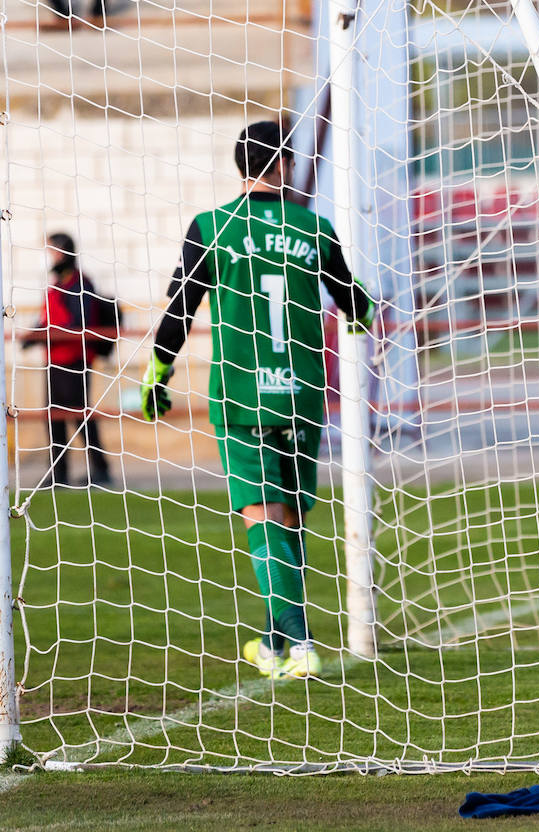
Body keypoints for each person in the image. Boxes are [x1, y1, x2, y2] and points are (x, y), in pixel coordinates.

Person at [140, 120, 374, 680]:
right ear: (285, 165)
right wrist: (365, 316)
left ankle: (300, 646)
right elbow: (354, 302)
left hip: (242, 393)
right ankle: (273, 641)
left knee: (261, 517)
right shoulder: (313, 228)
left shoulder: (210, 227)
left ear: (241, 166)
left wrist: (158, 372)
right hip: (302, 391)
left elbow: (180, 307)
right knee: (288, 517)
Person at [20, 231, 113, 488]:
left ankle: (101, 469)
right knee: (53, 416)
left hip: (74, 359)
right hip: (54, 359)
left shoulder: (80, 284)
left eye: (52, 250)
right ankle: (59, 474)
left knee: (80, 415)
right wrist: (32, 335)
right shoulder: (58, 283)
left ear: (63, 251)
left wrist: (45, 333)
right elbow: (48, 318)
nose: (49, 256)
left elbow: (75, 324)